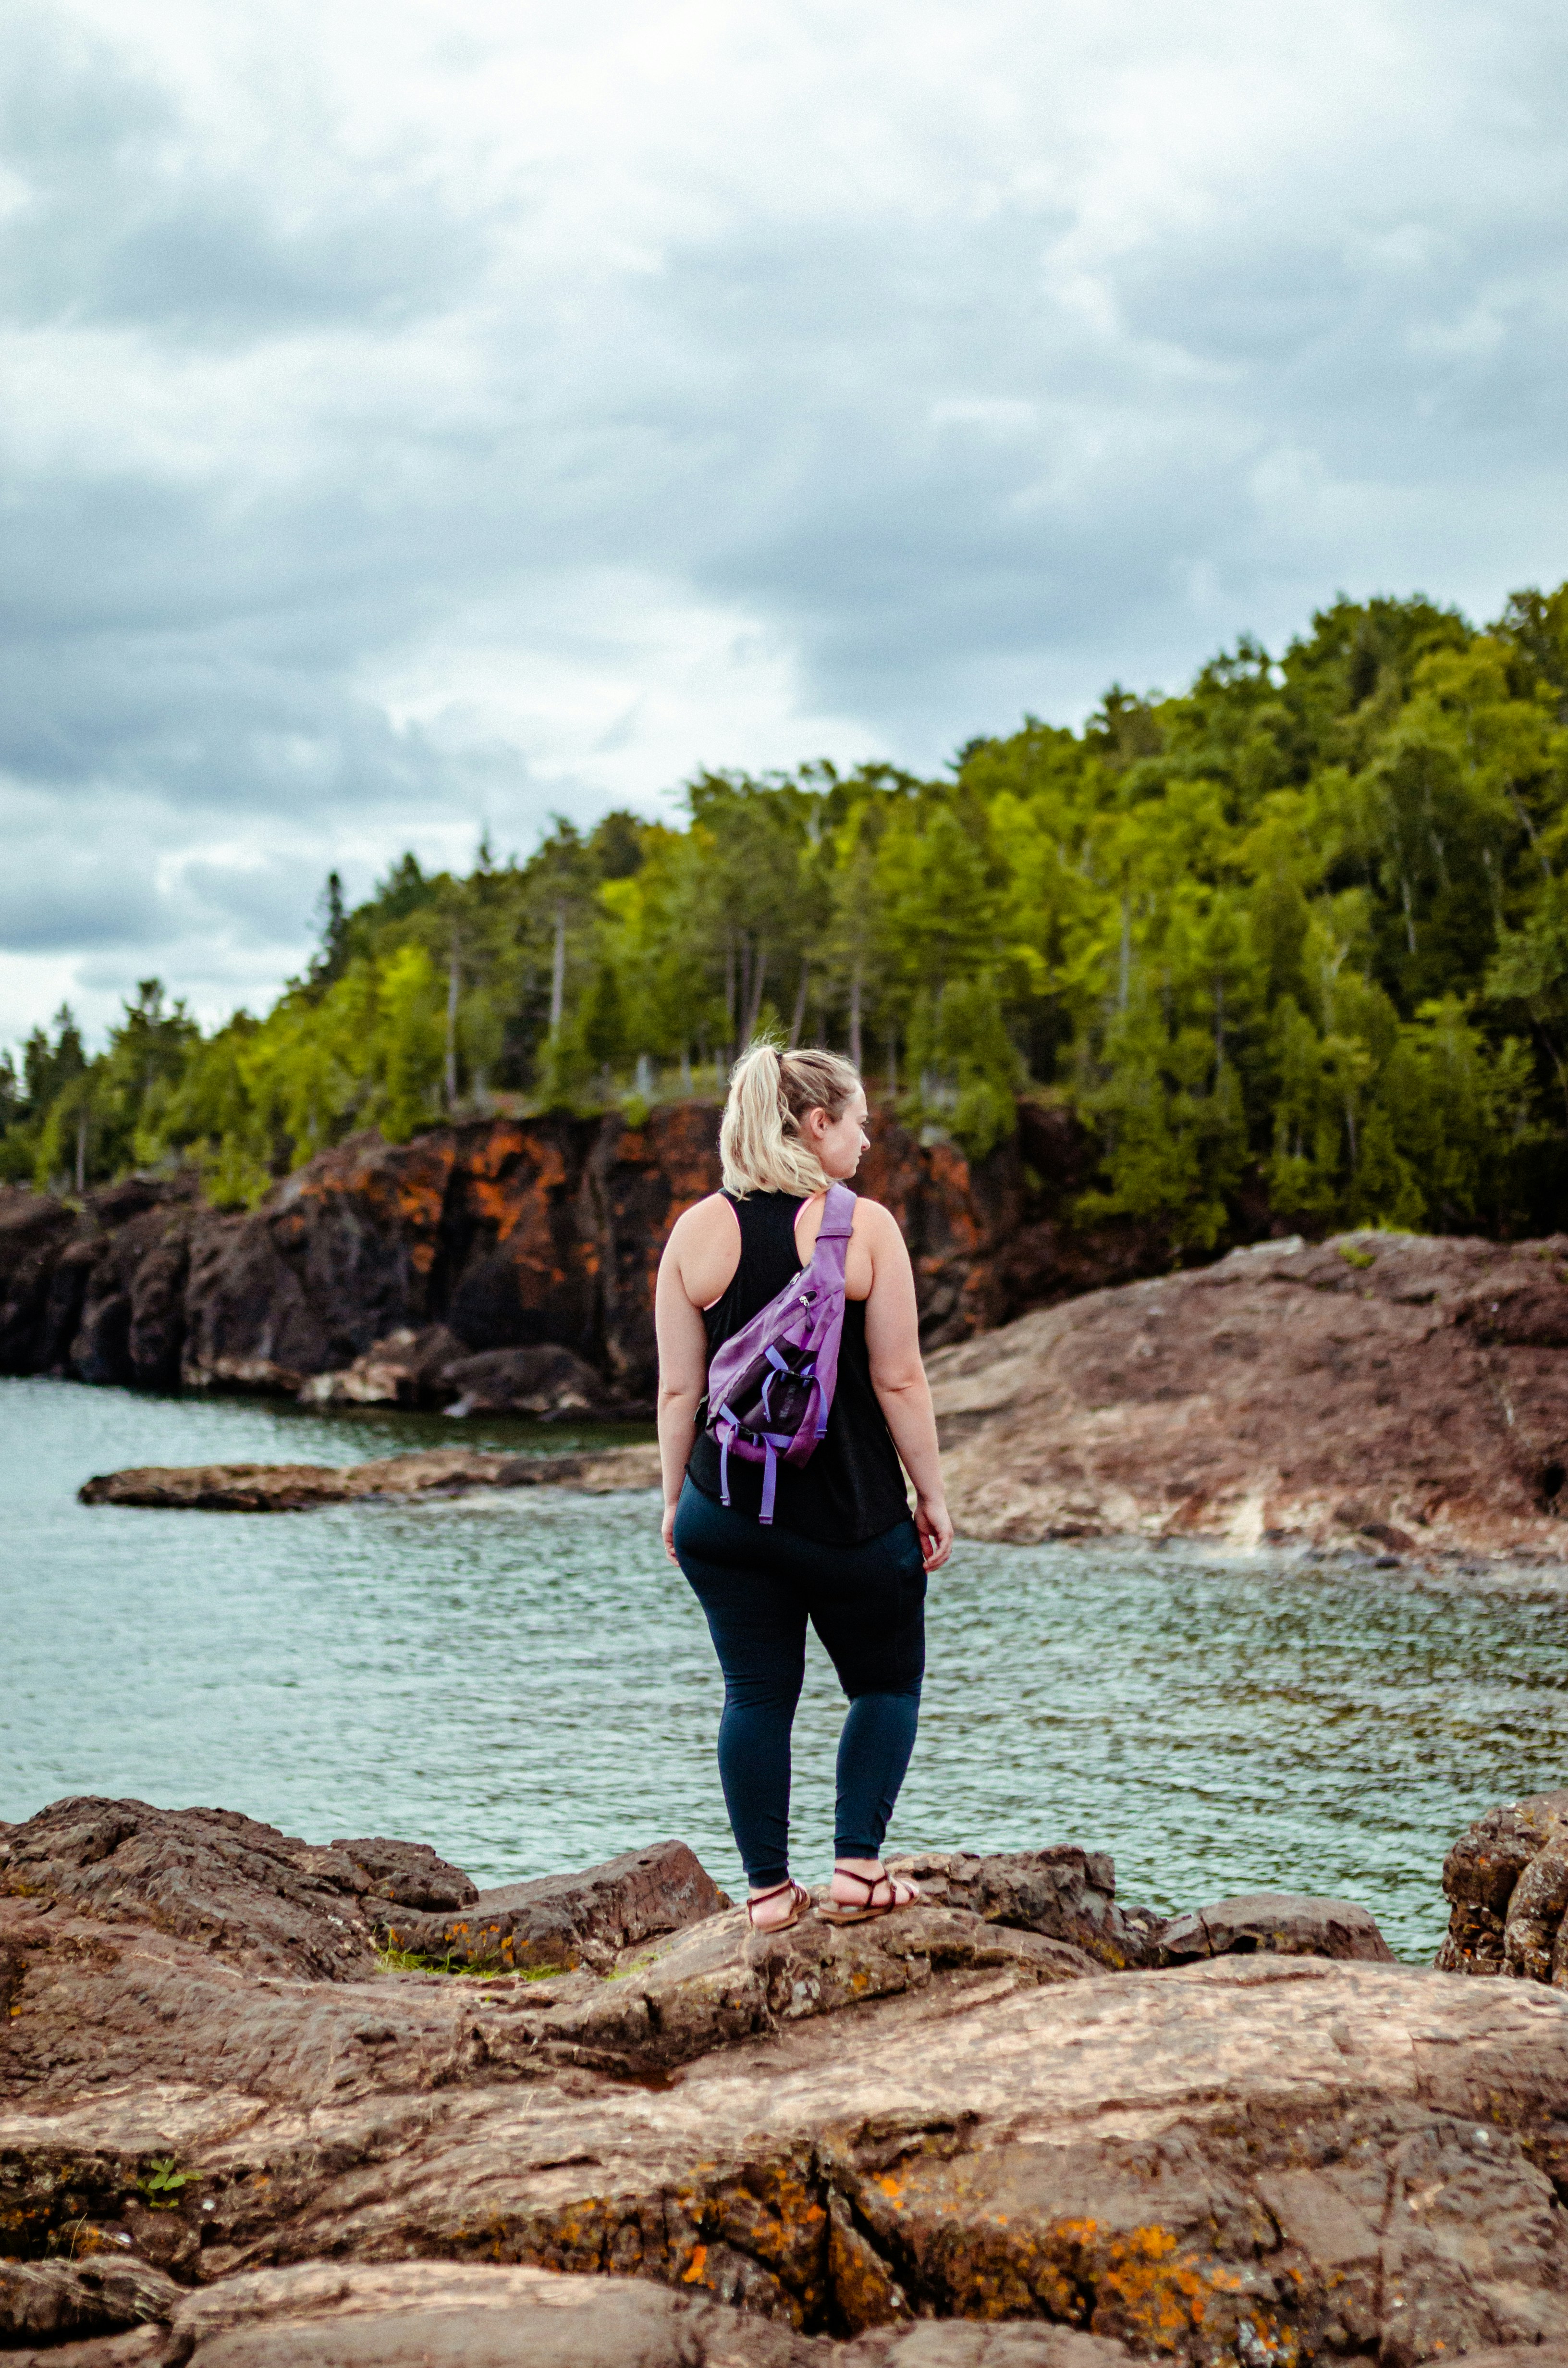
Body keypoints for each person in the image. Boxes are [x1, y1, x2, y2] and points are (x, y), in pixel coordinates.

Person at [655, 1040, 954, 1934]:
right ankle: (858, 1872)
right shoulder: (865, 1227)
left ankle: (769, 1894)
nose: (867, 1141)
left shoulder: (695, 1231)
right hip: (854, 1522)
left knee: (755, 1696)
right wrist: (932, 1497)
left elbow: (680, 1389)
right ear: (817, 1124)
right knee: (885, 1688)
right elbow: (900, 1381)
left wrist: (678, 1502)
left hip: (727, 1510)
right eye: (859, 1123)